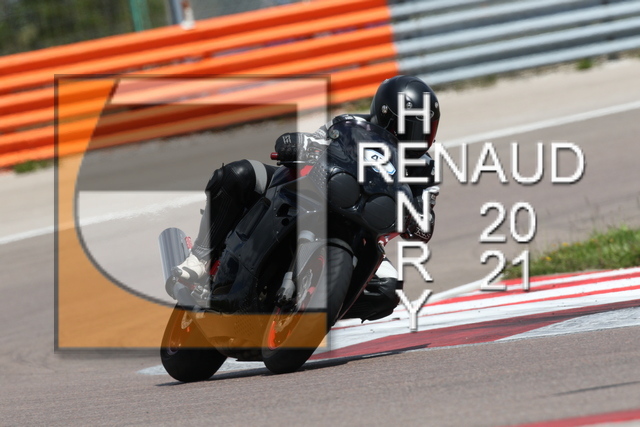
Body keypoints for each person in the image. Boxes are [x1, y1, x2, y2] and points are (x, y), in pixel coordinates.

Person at [171, 75, 441, 320]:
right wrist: (299, 144)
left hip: (363, 230)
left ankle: (314, 312)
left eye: (427, 129)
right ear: (388, 117)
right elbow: (317, 142)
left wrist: (418, 221)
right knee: (239, 173)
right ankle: (200, 258)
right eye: (414, 127)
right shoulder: (350, 125)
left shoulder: (425, 169)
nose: (421, 137)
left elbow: (424, 219)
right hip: (314, 196)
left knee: (387, 290)